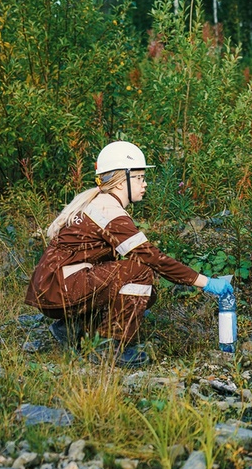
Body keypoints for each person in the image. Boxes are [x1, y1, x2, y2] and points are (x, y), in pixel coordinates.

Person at [24, 140, 234, 367]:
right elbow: (152, 258)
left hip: (55, 288)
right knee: (140, 271)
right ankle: (110, 346)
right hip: (60, 289)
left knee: (146, 293)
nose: (145, 184)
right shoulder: (108, 211)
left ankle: (72, 327)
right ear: (120, 179)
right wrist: (204, 282)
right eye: (139, 178)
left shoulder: (96, 203)